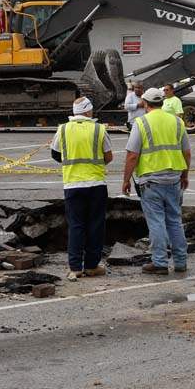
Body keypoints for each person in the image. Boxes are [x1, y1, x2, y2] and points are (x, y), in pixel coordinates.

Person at [122, 87, 191, 275]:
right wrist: (185, 175)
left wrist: (126, 180)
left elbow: (132, 156)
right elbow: (186, 152)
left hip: (151, 181)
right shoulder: (177, 122)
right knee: (175, 221)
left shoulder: (141, 122)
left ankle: (160, 262)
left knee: (157, 223)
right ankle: (180, 262)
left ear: (145, 102)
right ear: (162, 101)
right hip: (174, 179)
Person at [51, 97, 114, 282]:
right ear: (88, 111)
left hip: (73, 184)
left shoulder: (63, 129)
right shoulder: (98, 129)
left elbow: (55, 153)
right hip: (96, 184)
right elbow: (108, 156)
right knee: (95, 225)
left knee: (76, 226)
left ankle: (76, 267)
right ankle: (92, 266)